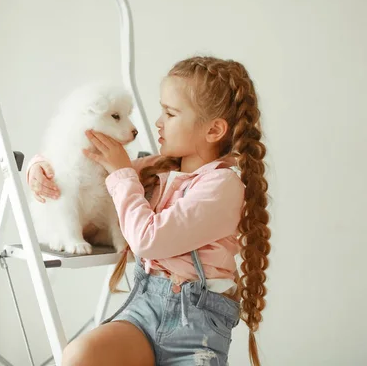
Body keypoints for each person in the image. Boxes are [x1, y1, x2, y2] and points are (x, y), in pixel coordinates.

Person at [26, 56, 270, 366]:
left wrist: (121, 172)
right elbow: (81, 162)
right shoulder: (158, 170)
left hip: (195, 331)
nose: (157, 122)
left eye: (169, 113)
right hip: (144, 313)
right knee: (80, 355)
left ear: (214, 130)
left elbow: (148, 239)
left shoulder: (222, 186)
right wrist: (39, 168)